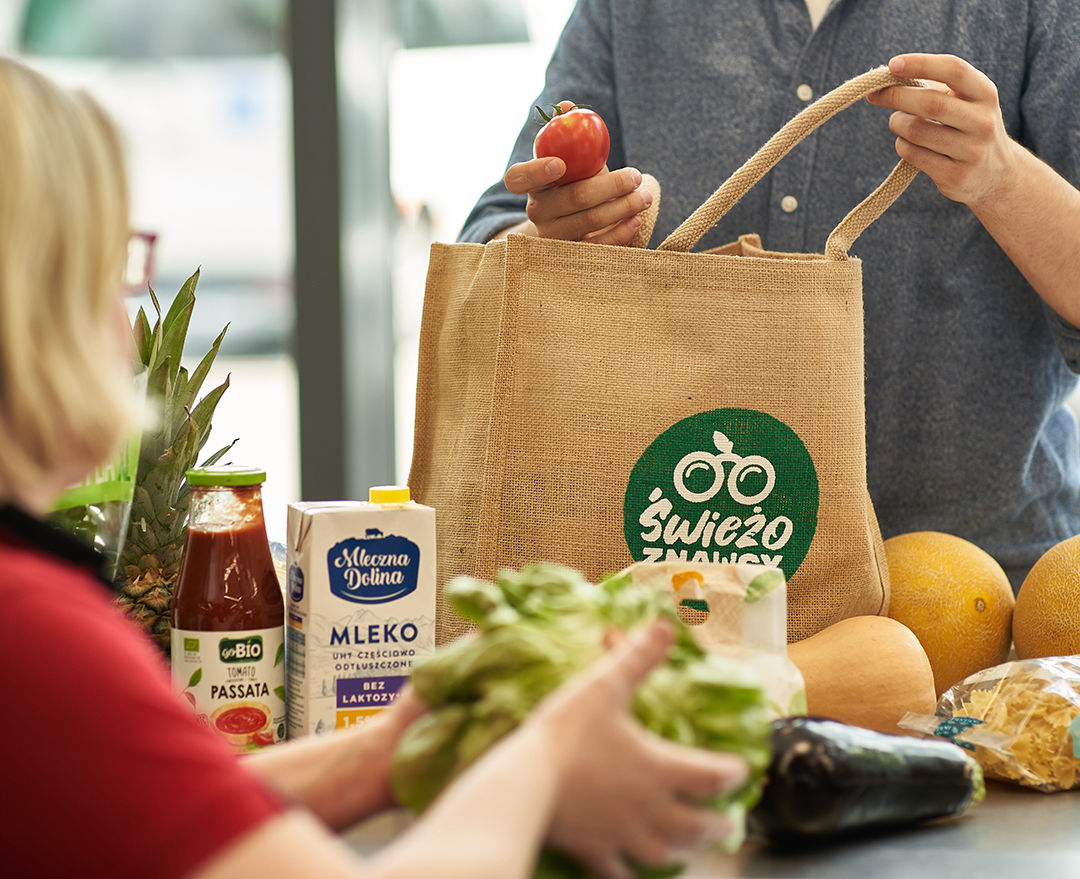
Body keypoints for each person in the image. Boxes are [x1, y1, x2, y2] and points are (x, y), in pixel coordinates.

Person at [0, 57, 748, 879]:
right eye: (109, 274)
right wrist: (547, 754)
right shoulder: (34, 632)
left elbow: (184, 810)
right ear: (32, 312)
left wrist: (395, 750)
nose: (124, 316)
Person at [459, 0, 1080, 591]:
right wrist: (553, 235)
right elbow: (498, 231)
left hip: (983, 592)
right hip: (676, 588)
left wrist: (1002, 177)